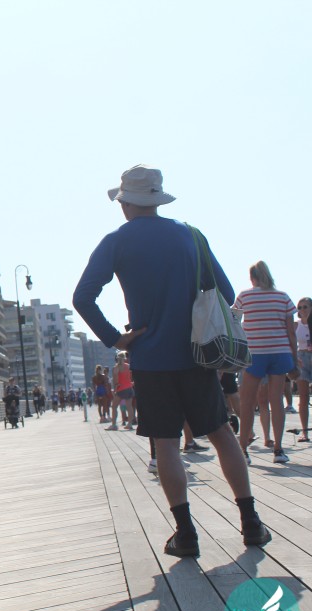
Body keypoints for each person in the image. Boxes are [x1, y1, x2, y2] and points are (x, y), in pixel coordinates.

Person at [73, 164, 271, 558]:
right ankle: (251, 522)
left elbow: (83, 297)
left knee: (165, 443)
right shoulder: (190, 235)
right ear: (157, 200)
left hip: (149, 358)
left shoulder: (116, 242)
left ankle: (186, 533)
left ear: (125, 202)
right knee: (221, 433)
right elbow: (225, 292)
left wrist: (116, 338)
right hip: (198, 354)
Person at [233, 261, 297, 464]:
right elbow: (291, 332)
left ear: (252, 277)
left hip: (255, 352)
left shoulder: (245, 296)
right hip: (280, 351)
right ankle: (278, 449)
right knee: (276, 400)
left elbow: (233, 322)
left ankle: (243, 450)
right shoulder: (283, 297)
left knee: (247, 402)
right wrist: (294, 359)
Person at [295, 296, 312, 442]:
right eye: (299, 308)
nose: (302, 310)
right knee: (303, 397)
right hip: (302, 358)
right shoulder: (297, 324)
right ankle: (305, 432)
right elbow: (289, 340)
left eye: (305, 307)